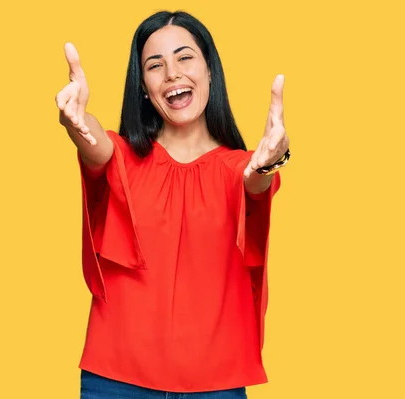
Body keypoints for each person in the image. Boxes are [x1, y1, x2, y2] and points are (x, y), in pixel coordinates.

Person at [55, 10, 290, 399]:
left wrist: (269, 161)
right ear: (144, 87)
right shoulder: (123, 159)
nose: (172, 74)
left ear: (209, 70)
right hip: (115, 382)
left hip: (217, 384)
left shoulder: (239, 168)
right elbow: (95, 145)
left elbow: (256, 180)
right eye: (155, 65)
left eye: (184, 57)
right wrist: (74, 121)